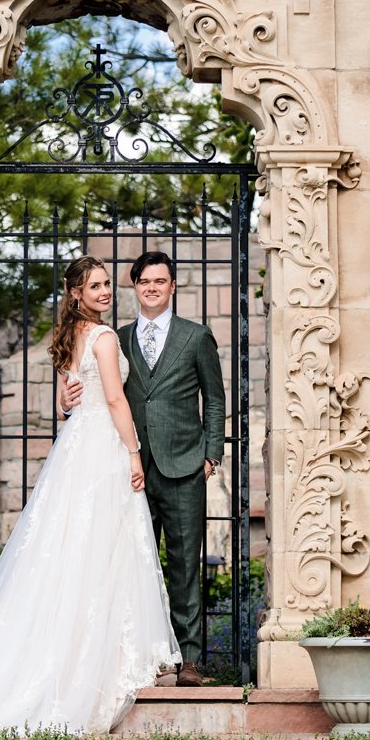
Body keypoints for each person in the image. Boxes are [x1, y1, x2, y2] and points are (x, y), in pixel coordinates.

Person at [0, 255, 179, 736]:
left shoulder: (69, 338)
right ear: (76, 294)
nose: (106, 292)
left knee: (70, 548)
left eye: (108, 284)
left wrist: (70, 407)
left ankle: (75, 648)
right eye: (95, 286)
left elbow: (65, 401)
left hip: (75, 448)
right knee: (103, 547)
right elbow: (114, 399)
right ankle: (99, 655)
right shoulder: (106, 338)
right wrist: (133, 453)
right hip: (103, 448)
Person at [60, 251, 226, 686]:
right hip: (125, 468)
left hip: (184, 464)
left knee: (185, 564)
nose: (151, 287)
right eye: (143, 281)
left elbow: (215, 397)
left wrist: (212, 453)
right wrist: (66, 403)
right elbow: (95, 392)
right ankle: (139, 659)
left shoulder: (196, 336)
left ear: (173, 287)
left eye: (160, 280)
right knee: (129, 565)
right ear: (135, 287)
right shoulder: (116, 335)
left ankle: (188, 662)